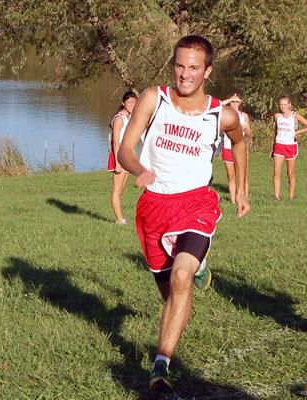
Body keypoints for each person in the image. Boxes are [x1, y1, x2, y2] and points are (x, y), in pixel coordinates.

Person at [118, 35, 250, 391]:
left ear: (207, 70)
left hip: (195, 203)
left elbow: (239, 143)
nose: (185, 74)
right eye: (179, 65)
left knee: (180, 279)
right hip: (153, 208)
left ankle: (161, 364)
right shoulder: (153, 99)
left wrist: (241, 189)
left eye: (194, 67)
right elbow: (125, 151)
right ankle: (199, 269)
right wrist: (138, 169)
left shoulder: (221, 114)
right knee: (174, 294)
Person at [272, 95, 307, 201]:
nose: (283, 107)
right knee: (276, 172)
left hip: (291, 146)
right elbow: (276, 131)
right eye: (281, 104)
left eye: (285, 104)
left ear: (289, 105)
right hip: (279, 145)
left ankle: (291, 197)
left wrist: (298, 132)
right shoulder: (277, 116)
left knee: (290, 173)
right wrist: (273, 146)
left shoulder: (295, 116)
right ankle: (276, 197)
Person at [107, 90, 137, 224]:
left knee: (121, 191)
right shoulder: (119, 118)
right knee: (116, 190)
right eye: (129, 102)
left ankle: (121, 218)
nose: (132, 105)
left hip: (126, 156)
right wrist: (118, 163)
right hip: (119, 157)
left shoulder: (130, 117)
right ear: (123, 103)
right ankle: (119, 220)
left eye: (134, 102)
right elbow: (115, 142)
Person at [221, 93, 253, 203]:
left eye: (237, 101)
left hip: (240, 149)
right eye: (233, 101)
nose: (235, 104)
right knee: (231, 175)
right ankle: (233, 201)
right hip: (227, 148)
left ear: (241, 103)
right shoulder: (224, 113)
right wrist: (230, 98)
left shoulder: (244, 116)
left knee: (243, 175)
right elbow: (218, 105)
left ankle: (245, 199)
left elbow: (250, 134)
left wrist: (245, 128)